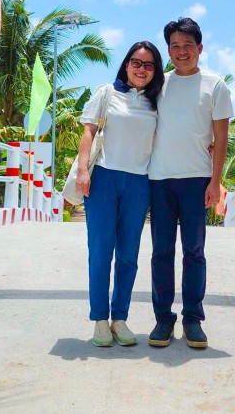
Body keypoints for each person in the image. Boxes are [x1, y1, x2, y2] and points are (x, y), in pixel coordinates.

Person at [147, 17, 232, 349]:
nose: (181, 52)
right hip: (159, 179)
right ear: (168, 50)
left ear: (200, 48)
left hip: (197, 180)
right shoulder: (158, 83)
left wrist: (215, 181)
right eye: (175, 46)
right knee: (161, 251)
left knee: (194, 251)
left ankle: (193, 319)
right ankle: (163, 319)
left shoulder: (216, 85)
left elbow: (221, 138)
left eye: (187, 45)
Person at [76, 41, 165, 347]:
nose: (141, 69)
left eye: (149, 65)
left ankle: (120, 318)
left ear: (155, 71)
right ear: (127, 64)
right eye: (136, 63)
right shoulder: (107, 93)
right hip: (103, 178)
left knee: (128, 256)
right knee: (101, 251)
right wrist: (83, 171)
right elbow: (88, 131)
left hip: (139, 183)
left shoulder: (157, 102)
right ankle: (100, 320)